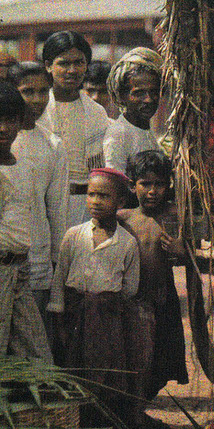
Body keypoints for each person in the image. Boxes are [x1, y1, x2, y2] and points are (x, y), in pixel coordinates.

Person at [48, 168, 140, 408]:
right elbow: (60, 278)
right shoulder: (74, 235)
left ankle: (102, 420)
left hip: (107, 320)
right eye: (91, 194)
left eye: (104, 196)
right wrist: (59, 318)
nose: (96, 201)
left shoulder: (127, 243)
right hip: (74, 316)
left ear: (121, 202)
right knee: (73, 367)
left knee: (104, 371)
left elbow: (129, 288)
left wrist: (105, 304)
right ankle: (76, 420)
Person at [118, 150, 189, 420]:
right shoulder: (123, 218)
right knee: (134, 359)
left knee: (161, 360)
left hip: (162, 297)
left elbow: (193, 256)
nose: (152, 191)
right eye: (145, 183)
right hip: (132, 301)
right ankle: (133, 414)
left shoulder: (175, 215)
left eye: (159, 184)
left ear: (168, 185)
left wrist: (182, 250)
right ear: (132, 185)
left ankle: (139, 411)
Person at [8, 62, 69, 327]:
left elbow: (57, 211)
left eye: (43, 91)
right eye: (27, 91)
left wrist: (56, 264)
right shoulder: (5, 139)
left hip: (37, 260)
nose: (36, 99)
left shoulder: (52, 145)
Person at [0, 82, 52, 360]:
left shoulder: (22, 166)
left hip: (19, 269)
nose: (3, 128)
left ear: (21, 122)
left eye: (9, 120)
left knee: (37, 356)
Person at [39, 31, 109, 228]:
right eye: (64, 63)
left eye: (79, 62)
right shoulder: (39, 111)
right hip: (44, 201)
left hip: (86, 205)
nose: (72, 70)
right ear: (48, 66)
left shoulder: (96, 112)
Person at [104, 48, 163, 174]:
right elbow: (115, 181)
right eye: (139, 93)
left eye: (153, 92)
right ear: (122, 96)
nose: (148, 99)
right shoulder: (119, 135)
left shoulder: (145, 131)